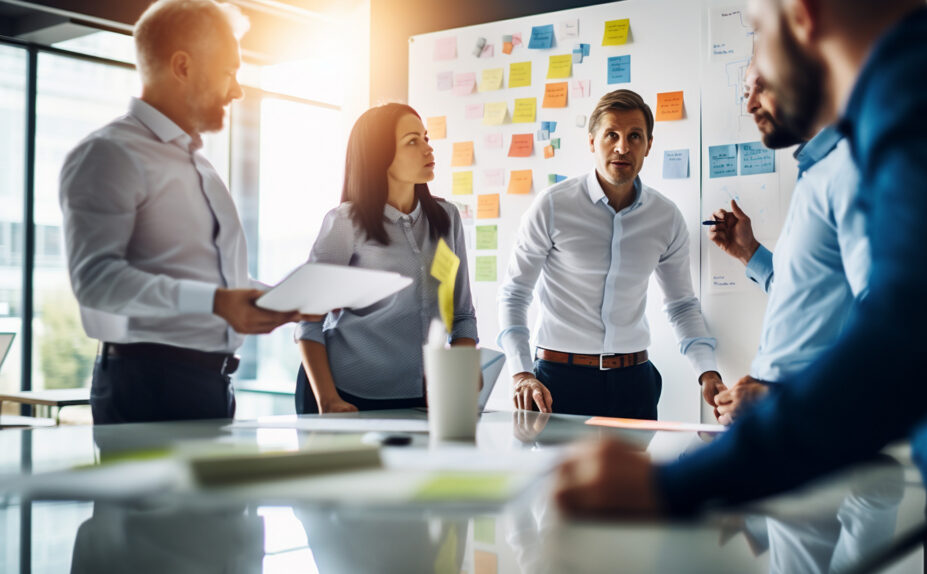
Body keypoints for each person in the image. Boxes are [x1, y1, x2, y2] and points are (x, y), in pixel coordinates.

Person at [554, 0, 927, 570]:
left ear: (802, 15)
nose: (754, 84)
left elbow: (908, 324)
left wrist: (675, 484)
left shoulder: (919, 92)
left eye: (757, 28)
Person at [60, 0, 310, 425]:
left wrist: (278, 299)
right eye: (230, 71)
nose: (237, 90)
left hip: (211, 384)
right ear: (182, 67)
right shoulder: (108, 154)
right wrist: (216, 302)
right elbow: (96, 281)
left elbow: (206, 281)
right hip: (147, 385)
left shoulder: (202, 168)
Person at [498, 89, 723, 419]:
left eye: (635, 136)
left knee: (636, 473)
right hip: (559, 381)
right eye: (611, 135)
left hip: (635, 382)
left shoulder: (666, 217)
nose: (622, 147)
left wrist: (708, 372)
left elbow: (682, 305)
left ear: (648, 145)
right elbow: (515, 295)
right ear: (592, 142)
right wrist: (520, 373)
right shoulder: (552, 206)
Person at [707, 60, 868, 424]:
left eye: (761, 87)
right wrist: (749, 253)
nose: (749, 105)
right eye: (747, 91)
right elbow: (814, 294)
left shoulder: (851, 168)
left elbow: (888, 318)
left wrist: (780, 395)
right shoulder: (817, 170)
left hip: (828, 428)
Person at [295, 103, 477, 414]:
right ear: (379, 156)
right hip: (346, 394)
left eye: (426, 137)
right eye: (412, 141)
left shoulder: (447, 219)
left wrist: (459, 374)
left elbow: (461, 318)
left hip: (422, 397)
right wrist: (328, 400)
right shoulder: (345, 222)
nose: (427, 148)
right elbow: (308, 320)